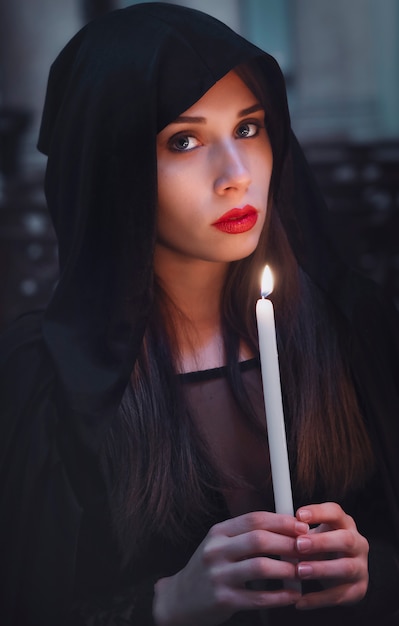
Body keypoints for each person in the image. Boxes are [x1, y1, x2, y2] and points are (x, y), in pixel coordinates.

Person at [0, 3, 398, 625]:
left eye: (248, 128)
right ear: (113, 168)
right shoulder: (42, 387)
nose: (236, 177)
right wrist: (163, 606)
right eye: (183, 141)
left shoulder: (354, 329)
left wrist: (370, 569)